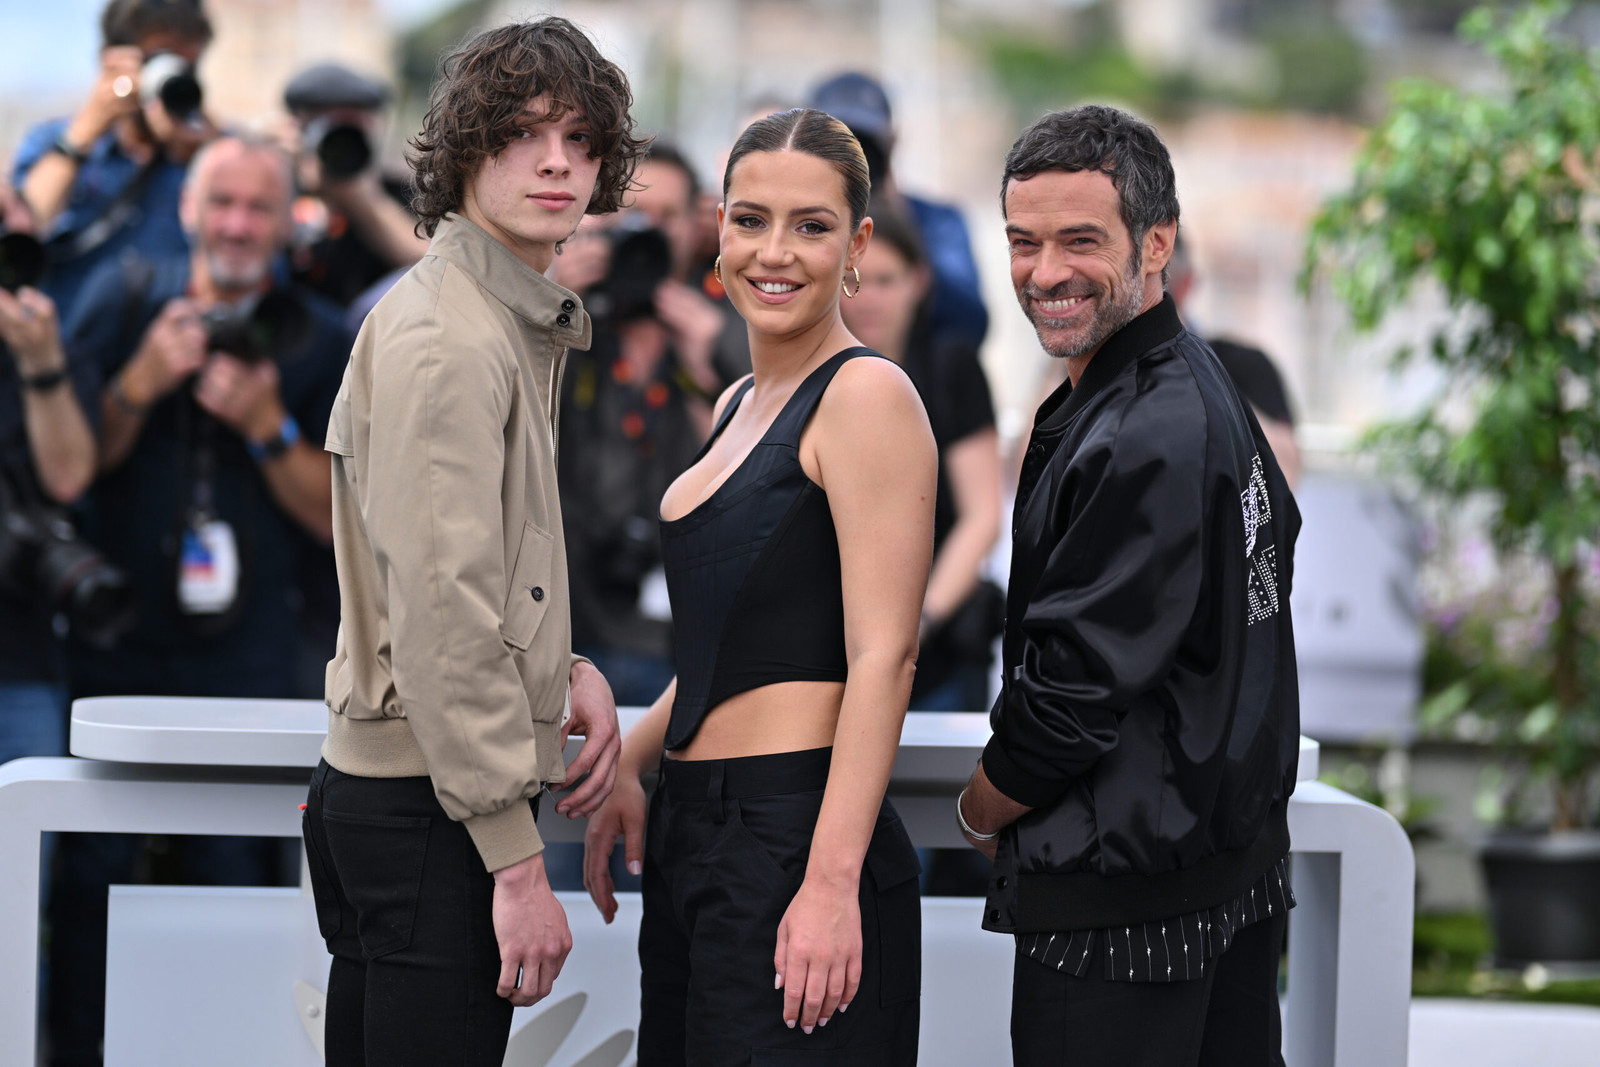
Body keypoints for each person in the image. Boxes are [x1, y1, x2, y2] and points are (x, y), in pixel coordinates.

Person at [300, 19, 637, 1065]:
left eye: (580, 140)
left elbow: (475, 575)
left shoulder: (490, 316)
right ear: (464, 150)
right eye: (523, 133)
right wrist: (514, 859)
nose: (557, 162)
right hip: (430, 808)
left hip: (417, 794)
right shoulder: (450, 335)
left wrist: (563, 665)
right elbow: (443, 617)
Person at [582, 107, 933, 1065]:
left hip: (793, 836)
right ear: (718, 230)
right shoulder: (737, 400)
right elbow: (727, 645)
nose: (774, 252)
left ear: (857, 245)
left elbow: (886, 656)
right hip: (697, 831)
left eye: (811, 226)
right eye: (750, 220)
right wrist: (630, 760)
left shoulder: (867, 396)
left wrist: (830, 881)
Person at [955, 105, 1301, 1066]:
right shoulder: (1194, 381)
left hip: (1124, 901)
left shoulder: (1145, 426)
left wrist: (978, 807)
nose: (1044, 272)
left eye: (1080, 240)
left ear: (1157, 243)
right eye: (1022, 242)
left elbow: (1070, 696)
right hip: (1217, 869)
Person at [45, 133, 352, 1067]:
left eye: (259, 206)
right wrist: (137, 385)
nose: (238, 225)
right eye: (221, 202)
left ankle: (236, 1046)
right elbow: (69, 466)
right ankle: (81, 1047)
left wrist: (266, 424)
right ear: (186, 209)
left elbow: (341, 520)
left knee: (238, 862)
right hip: (119, 634)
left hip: (252, 648)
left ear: (288, 222)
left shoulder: (319, 334)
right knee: (95, 864)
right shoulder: (127, 295)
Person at [552, 144, 730, 709]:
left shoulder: (723, 327)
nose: (648, 230)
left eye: (666, 216)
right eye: (632, 213)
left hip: (678, 647)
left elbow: (740, 482)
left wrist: (706, 370)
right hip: (564, 636)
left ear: (696, 227)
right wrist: (552, 301)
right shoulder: (564, 319)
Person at [840, 202, 1000, 713]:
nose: (870, 299)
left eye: (887, 281)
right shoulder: (811, 375)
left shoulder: (951, 364)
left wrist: (920, 620)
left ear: (919, 282)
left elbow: (982, 515)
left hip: (939, 652)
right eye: (855, 282)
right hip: (834, 660)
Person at [11, 0, 216, 322]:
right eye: (159, 61)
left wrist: (206, 160)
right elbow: (24, 228)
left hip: (174, 343)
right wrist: (82, 136)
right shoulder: (56, 141)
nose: (173, 77)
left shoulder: (213, 150)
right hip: (66, 341)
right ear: (110, 59)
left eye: (186, 66)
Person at [0, 184, 100, 770]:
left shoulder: (58, 347)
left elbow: (68, 480)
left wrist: (39, 363)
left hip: (20, 662)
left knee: (26, 823)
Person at [810, 71, 989, 347]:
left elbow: (970, 325)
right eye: (835, 148)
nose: (854, 162)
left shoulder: (936, 222)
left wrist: (900, 224)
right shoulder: (797, 225)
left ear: (891, 143)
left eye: (865, 147)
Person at [281, 62, 429, 308]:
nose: (342, 143)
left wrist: (364, 200)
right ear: (298, 131)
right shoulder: (281, 189)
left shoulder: (408, 196)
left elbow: (433, 267)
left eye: (352, 130)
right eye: (330, 128)